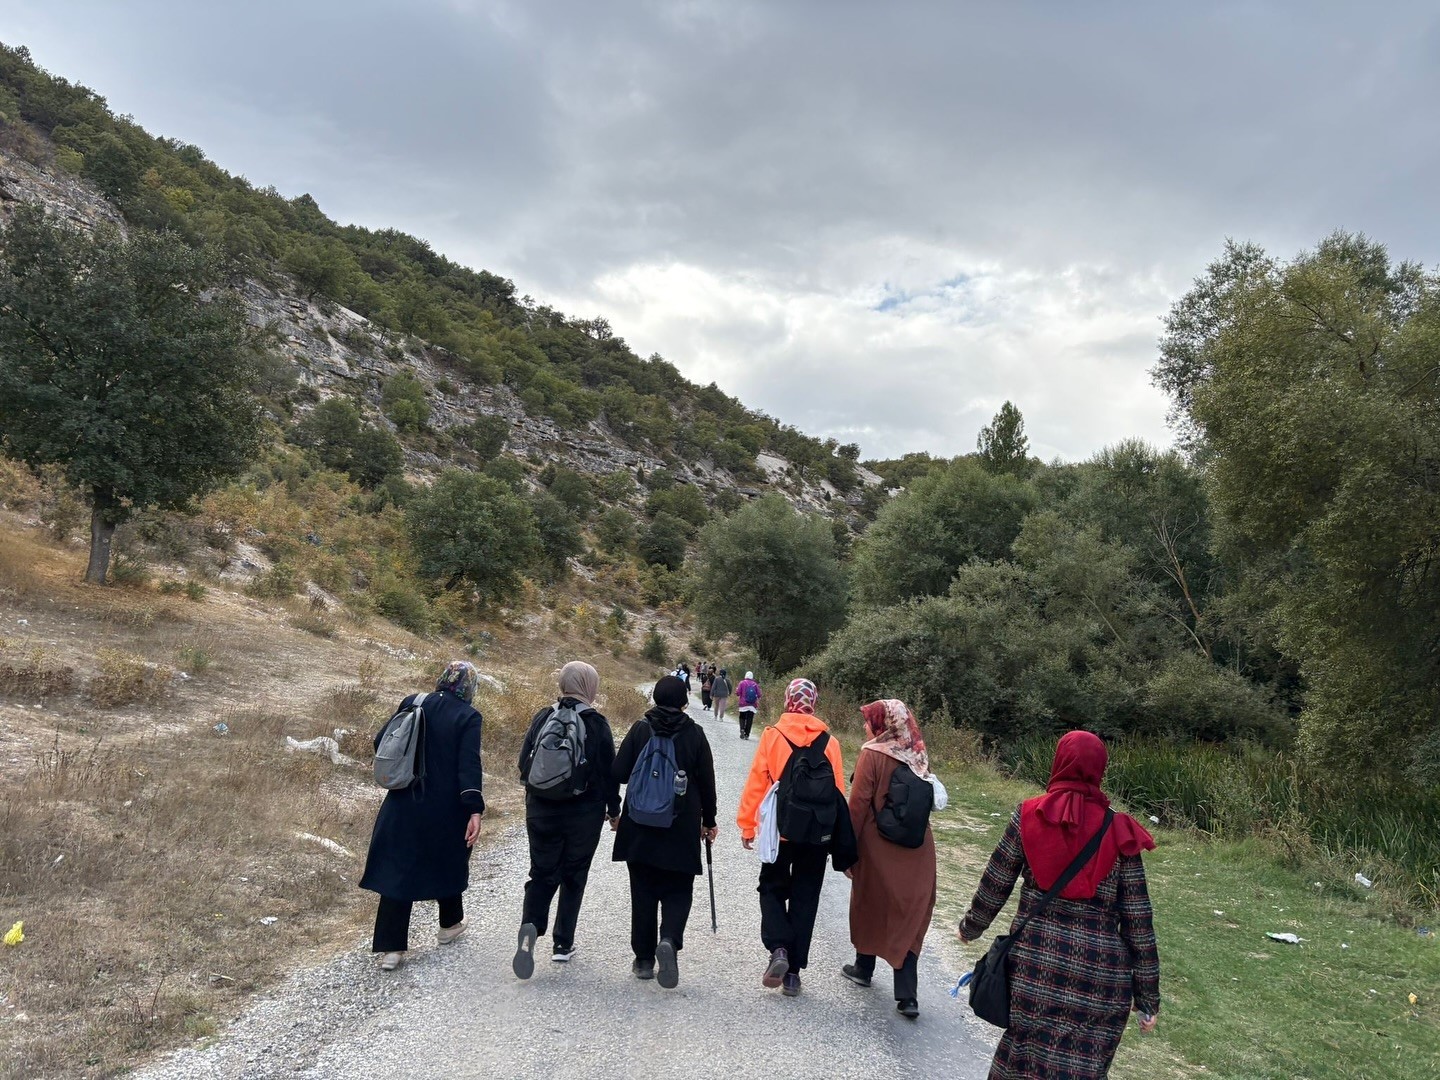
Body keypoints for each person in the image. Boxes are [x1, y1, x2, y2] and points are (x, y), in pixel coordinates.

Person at [960, 730, 1160, 1079]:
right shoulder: (1119, 829)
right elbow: (1138, 923)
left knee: (1023, 1056)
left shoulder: (1028, 815)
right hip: (1102, 976)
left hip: (1036, 965)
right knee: (1083, 1065)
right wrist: (1147, 1000)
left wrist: (971, 927)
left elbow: (996, 882)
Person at [359, 661, 484, 972]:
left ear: (441, 679)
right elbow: (468, 766)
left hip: (403, 800)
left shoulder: (412, 701)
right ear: (469, 688)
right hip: (445, 807)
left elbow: (382, 741)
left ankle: (391, 949)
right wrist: (474, 809)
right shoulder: (468, 716)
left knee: (398, 868)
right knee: (450, 858)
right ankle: (449, 925)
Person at [736, 678, 845, 997]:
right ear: (813, 702)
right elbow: (837, 793)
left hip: (780, 830)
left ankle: (779, 949)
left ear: (787, 700)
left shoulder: (773, 735)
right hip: (816, 835)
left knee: (770, 887)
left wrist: (747, 824)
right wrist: (836, 838)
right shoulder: (831, 742)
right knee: (806, 897)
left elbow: (757, 781)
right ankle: (794, 974)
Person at [512, 661, 620, 978]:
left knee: (542, 873)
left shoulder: (543, 717)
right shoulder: (597, 723)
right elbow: (609, 775)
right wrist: (614, 812)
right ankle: (562, 945)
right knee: (574, 874)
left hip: (540, 809)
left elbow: (524, 764)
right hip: (583, 815)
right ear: (590, 686)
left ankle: (531, 926)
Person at [612, 675, 718, 989]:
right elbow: (708, 785)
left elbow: (618, 772)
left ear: (655, 698)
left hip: (639, 825)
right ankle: (669, 940)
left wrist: (614, 810)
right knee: (678, 889)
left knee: (642, 891)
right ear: (685, 701)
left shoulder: (640, 728)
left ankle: (644, 959)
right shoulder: (695, 735)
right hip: (680, 825)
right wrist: (709, 821)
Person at [841, 700, 936, 1019]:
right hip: (918, 851)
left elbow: (857, 807)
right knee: (909, 915)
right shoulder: (918, 755)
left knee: (869, 902)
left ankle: (863, 968)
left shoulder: (872, 754)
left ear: (883, 725)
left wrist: (847, 852)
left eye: (870, 721)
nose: (866, 727)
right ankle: (907, 996)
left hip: (876, 846)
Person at [733, 671, 762, 740]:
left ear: (746, 676)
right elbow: (759, 694)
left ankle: (742, 729)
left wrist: (738, 693)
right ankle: (747, 734)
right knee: (750, 719)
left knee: (742, 717)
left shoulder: (742, 683)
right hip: (752, 705)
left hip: (743, 704)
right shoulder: (755, 684)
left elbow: (737, 692)